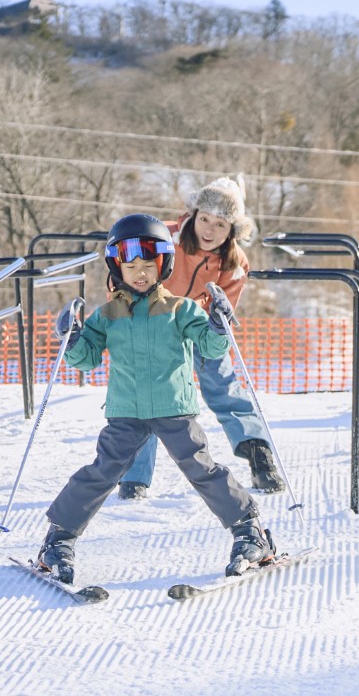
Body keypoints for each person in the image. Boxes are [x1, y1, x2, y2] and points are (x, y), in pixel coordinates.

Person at [33, 214, 275, 585]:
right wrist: (73, 337)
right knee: (101, 473)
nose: (140, 273)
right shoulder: (108, 315)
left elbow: (210, 348)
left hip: (173, 409)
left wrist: (217, 323)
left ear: (163, 266)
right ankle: (58, 538)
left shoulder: (181, 308)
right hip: (126, 414)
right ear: (118, 267)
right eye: (131, 266)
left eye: (148, 265)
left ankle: (249, 532)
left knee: (202, 470)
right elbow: (87, 359)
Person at [116, 177, 284, 499]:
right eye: (204, 218)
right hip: (153, 322)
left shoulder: (234, 264)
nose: (209, 230)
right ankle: (134, 477)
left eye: (220, 224)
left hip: (199, 327)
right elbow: (124, 265)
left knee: (223, 385)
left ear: (232, 230)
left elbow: (223, 317)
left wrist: (215, 324)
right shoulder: (163, 237)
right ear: (193, 214)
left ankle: (259, 456)